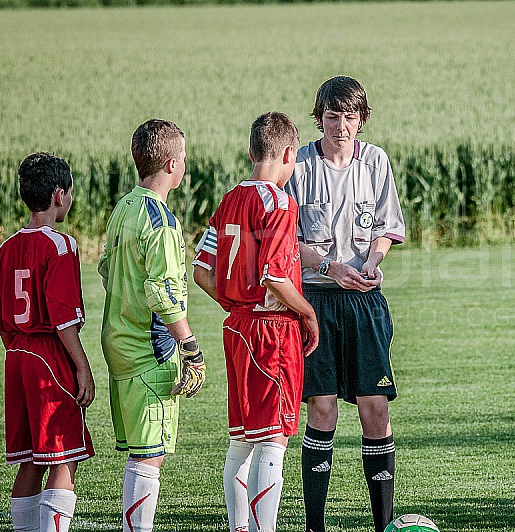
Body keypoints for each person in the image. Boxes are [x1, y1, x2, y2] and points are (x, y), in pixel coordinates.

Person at [284, 75, 406, 532]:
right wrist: (331, 265)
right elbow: (288, 241)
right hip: (314, 298)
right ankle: (315, 525)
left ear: (362, 119)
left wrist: (373, 262)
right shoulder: (298, 166)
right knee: (322, 408)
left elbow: (385, 229)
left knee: (375, 407)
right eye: (332, 116)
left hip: (364, 302)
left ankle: (385, 523)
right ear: (318, 119)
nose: (341, 126)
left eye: (349, 116)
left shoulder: (376, 161)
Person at [193, 111, 320, 532]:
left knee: (241, 441)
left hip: (236, 327)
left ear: (251, 152)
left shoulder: (229, 199)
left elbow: (201, 270)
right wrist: (307, 311)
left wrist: (235, 301)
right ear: (289, 154)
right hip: (272, 331)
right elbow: (275, 276)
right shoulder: (279, 202)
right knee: (273, 441)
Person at [98, 119, 206, 532]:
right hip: (150, 353)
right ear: (172, 164)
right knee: (149, 455)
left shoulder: (124, 208)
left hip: (119, 344)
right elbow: (163, 294)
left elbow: (108, 269)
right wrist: (191, 348)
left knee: (140, 452)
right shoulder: (160, 221)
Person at [0, 152, 95, 532]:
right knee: (64, 457)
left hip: (16, 354)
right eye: (68, 193)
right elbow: (64, 320)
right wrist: (82, 367)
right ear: (58, 195)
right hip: (48, 356)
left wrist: (20, 353)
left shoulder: (6, 248)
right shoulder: (60, 245)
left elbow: (0, 320)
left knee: (30, 459)